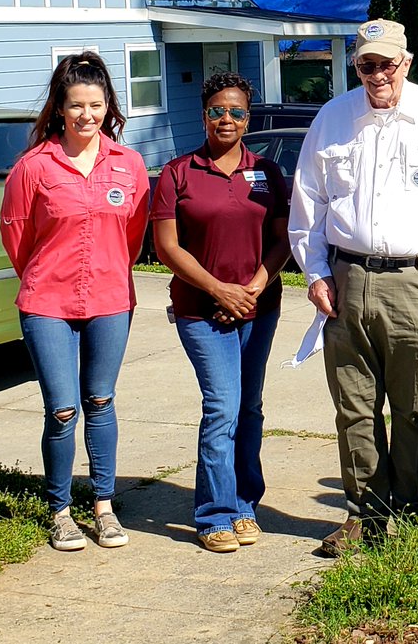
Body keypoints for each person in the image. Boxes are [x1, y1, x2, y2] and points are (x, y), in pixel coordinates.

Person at [288, 19, 418, 555]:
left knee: (414, 405)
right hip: (347, 280)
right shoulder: (332, 120)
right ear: (354, 66)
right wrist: (315, 273)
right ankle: (366, 515)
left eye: (387, 63)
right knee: (355, 408)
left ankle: (413, 507)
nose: (377, 74)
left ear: (406, 63)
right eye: (367, 65)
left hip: (417, 281)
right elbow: (307, 208)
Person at [0, 51, 149, 551]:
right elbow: (17, 238)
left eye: (97, 104)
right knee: (63, 408)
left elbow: (132, 235)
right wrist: (48, 278)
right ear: (59, 109)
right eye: (77, 105)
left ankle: (104, 506)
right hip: (47, 303)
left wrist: (104, 271)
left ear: (109, 107)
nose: (88, 114)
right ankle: (60, 510)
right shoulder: (33, 167)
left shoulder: (128, 165)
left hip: (110, 299)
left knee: (101, 401)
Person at [151, 73, 291, 553]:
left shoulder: (267, 173)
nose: (225, 119)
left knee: (249, 408)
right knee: (221, 409)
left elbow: (282, 240)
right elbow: (167, 247)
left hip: (258, 307)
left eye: (235, 111)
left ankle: (245, 504)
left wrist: (250, 291)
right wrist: (219, 291)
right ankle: (214, 513)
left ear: (248, 118)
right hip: (200, 311)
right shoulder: (178, 173)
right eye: (216, 111)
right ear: (203, 115)